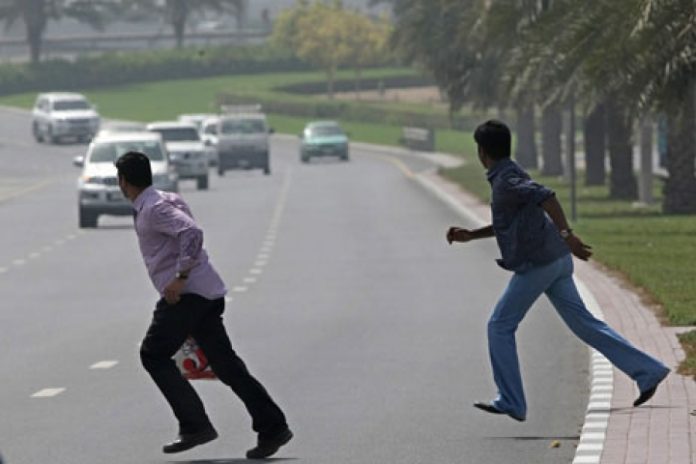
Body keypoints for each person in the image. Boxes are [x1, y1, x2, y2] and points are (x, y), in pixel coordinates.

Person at [446, 120, 670, 422]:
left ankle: (512, 400)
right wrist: (472, 235)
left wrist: (569, 235)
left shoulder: (505, 181)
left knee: (499, 326)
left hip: (540, 264)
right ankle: (648, 371)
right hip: (556, 260)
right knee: (586, 325)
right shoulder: (510, 173)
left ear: (482, 151)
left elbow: (548, 197)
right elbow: (511, 222)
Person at [116, 151, 292, 458]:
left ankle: (195, 424)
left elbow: (191, 232)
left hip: (187, 296)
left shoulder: (154, 208)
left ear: (123, 182)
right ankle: (273, 426)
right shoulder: (164, 199)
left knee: (153, 354)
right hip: (205, 292)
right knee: (226, 365)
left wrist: (180, 276)